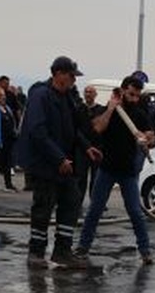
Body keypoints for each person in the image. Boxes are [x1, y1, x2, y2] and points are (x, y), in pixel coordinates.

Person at [18, 56, 98, 270]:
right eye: (71, 76)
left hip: (65, 163)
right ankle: (36, 252)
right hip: (45, 163)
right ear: (59, 74)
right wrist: (58, 158)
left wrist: (86, 147)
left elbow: (72, 129)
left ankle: (62, 251)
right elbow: (37, 131)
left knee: (71, 201)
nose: (74, 80)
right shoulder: (41, 95)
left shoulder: (67, 97)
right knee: (43, 207)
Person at [76, 74, 155, 264]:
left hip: (128, 171)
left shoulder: (139, 114)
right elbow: (97, 128)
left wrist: (146, 139)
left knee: (135, 212)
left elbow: (152, 139)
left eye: (137, 95)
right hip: (107, 168)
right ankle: (82, 248)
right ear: (123, 91)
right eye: (131, 94)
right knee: (95, 210)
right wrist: (111, 108)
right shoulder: (109, 110)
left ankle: (145, 251)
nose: (134, 99)